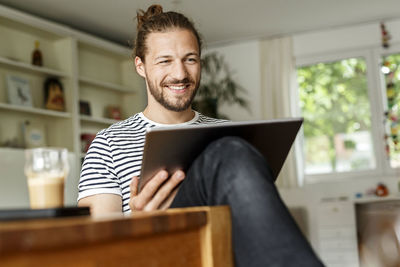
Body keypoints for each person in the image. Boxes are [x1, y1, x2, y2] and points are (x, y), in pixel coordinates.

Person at [78, 4, 324, 266]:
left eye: (190, 59)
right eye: (165, 61)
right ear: (140, 66)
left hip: (222, 254)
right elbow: (96, 250)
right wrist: (140, 222)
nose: (180, 73)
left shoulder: (227, 135)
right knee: (229, 150)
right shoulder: (108, 143)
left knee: (231, 148)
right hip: (157, 255)